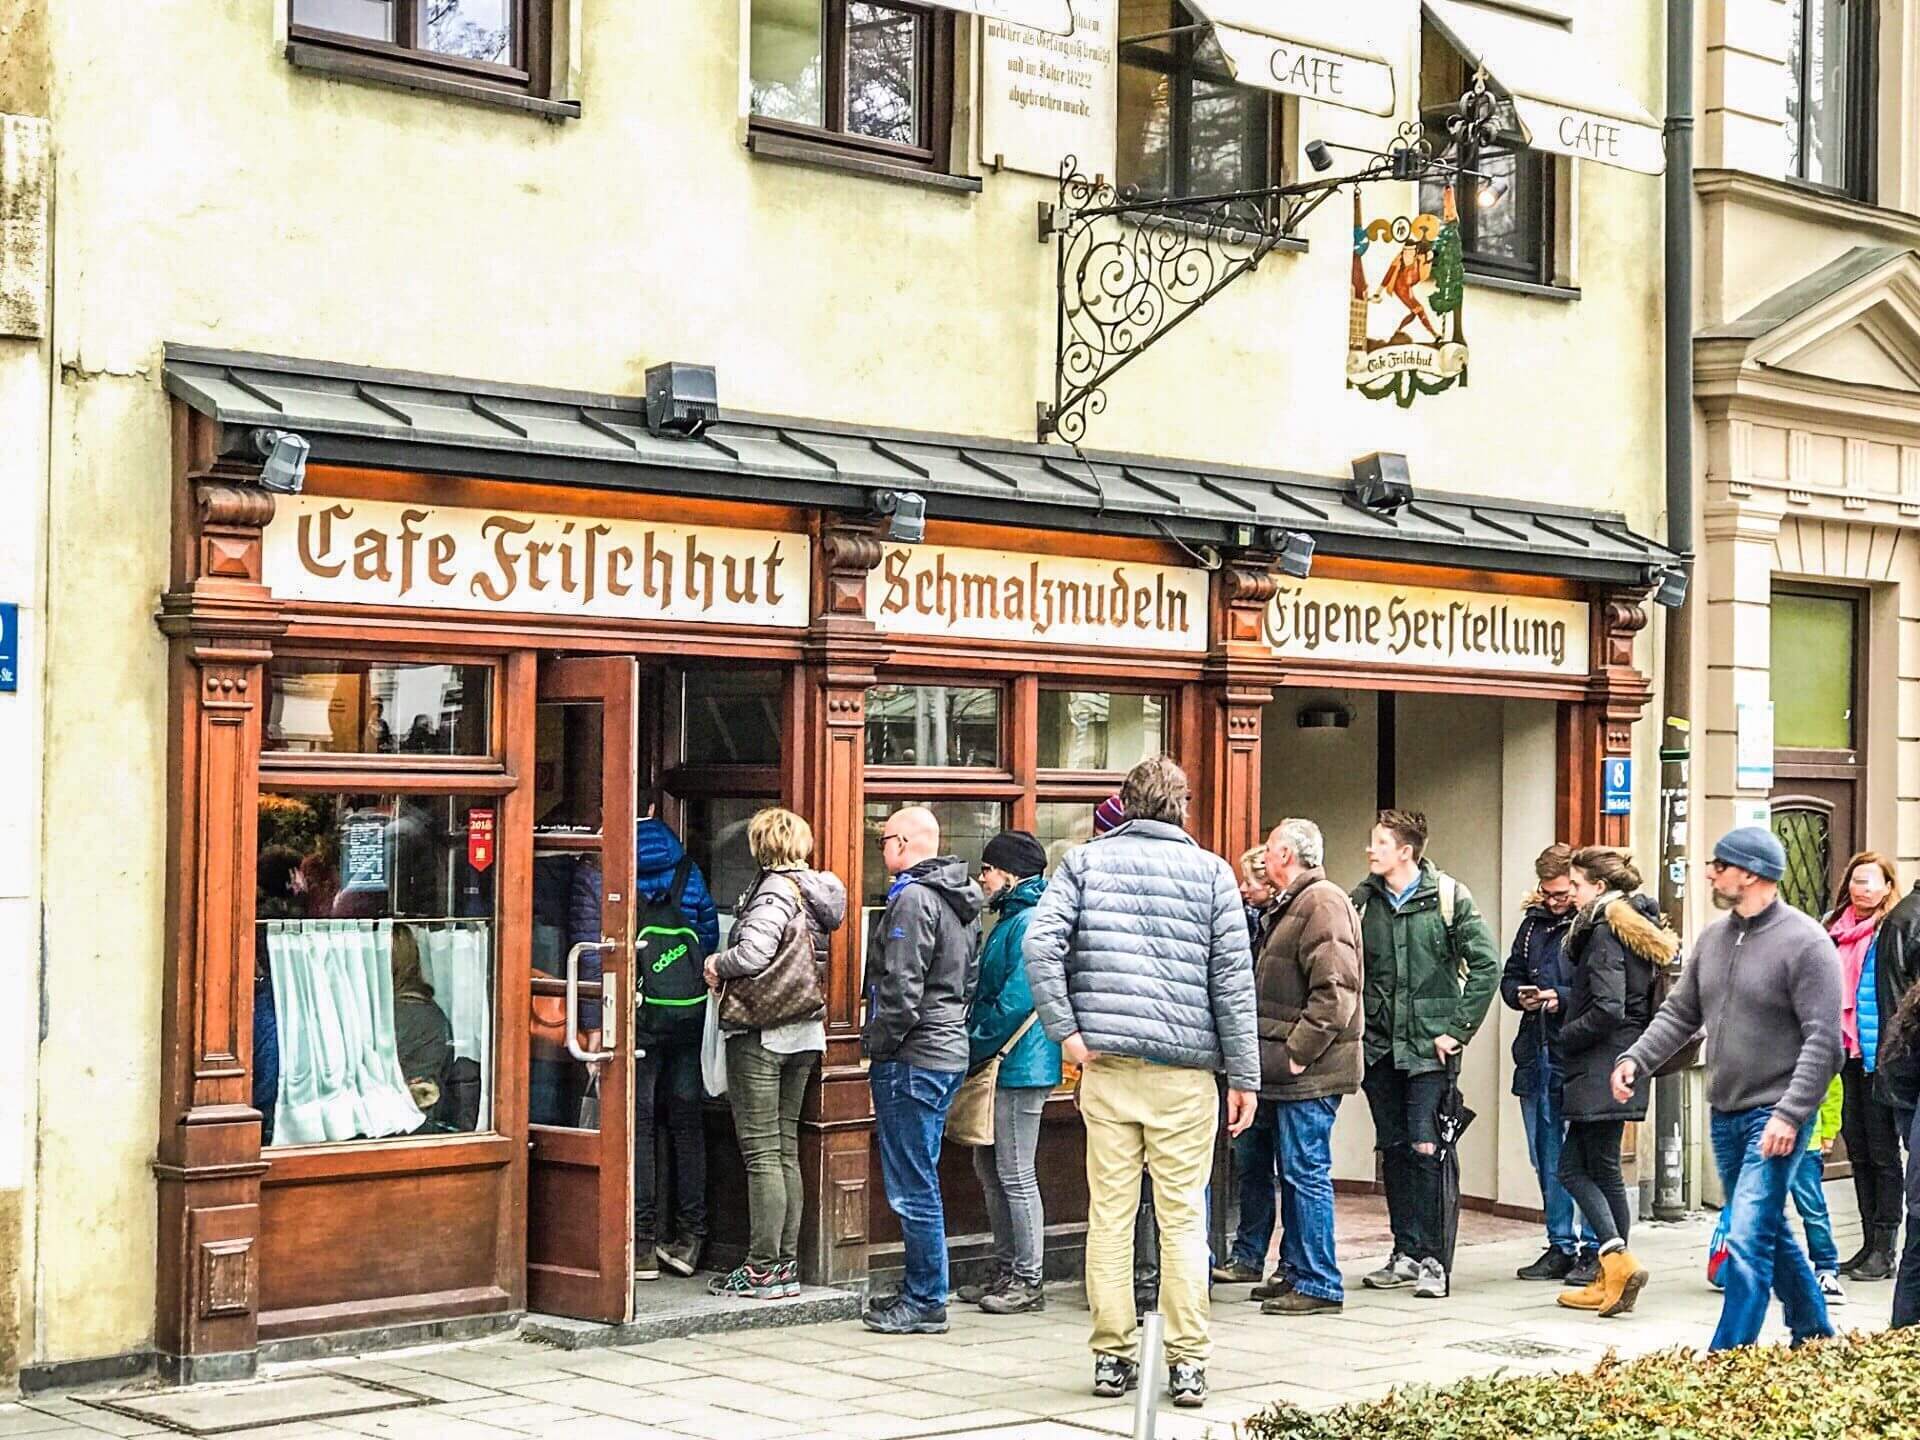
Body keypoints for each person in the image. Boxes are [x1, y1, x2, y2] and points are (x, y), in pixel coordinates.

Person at [1025, 756, 1259, 1409]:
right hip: (1186, 1072)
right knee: (1184, 1221)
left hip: (1106, 1066)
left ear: (1124, 804)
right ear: (1181, 805)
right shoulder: (1213, 873)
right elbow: (1232, 987)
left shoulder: (1084, 863)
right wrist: (1243, 1074)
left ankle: (1111, 1356)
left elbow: (1040, 946)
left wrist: (1065, 1029)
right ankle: (1187, 1364)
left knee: (1111, 1215)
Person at [1613, 825, 1842, 1351]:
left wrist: (1791, 1114)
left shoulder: (1807, 944)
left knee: (1744, 1236)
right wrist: (1636, 1060)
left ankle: (1727, 1355)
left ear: (1752, 874)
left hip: (1777, 1112)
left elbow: (1824, 1042)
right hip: (1726, 1111)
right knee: (1765, 1229)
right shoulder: (1715, 938)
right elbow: (1679, 1013)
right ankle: (1814, 1331)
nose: (1711, 872)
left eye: (1721, 864)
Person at [1353, 809, 1499, 1300]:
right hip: (1379, 1050)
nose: (1370, 850)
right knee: (1393, 1151)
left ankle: (1436, 1260)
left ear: (1405, 852)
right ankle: (1406, 1251)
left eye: (1379, 842)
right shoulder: (1362, 902)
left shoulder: (1448, 898)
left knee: (1428, 1151)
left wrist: (1456, 1030)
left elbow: (1486, 966)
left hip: (1428, 1054)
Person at [703, 808, 844, 1302]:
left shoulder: (773, 892)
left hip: (764, 1032)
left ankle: (763, 1267)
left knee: (762, 1153)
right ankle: (783, 1266)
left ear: (761, 846)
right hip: (806, 1031)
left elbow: (754, 955)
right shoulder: (818, 892)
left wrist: (717, 962)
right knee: (784, 1149)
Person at [862, 806, 982, 1335]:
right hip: (946, 1046)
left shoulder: (912, 898)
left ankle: (926, 1298)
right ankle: (921, 1287)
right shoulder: (963, 898)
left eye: (884, 838)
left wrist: (877, 1046)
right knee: (920, 1175)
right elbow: (968, 980)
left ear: (906, 842)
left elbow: (900, 988)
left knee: (912, 1184)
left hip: (913, 1055)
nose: (880, 848)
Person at [1551, 848, 1671, 1318]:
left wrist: (1565, 1035)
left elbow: (1608, 1007)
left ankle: (1617, 1263)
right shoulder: (1635, 925)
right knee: (1601, 1168)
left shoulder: (1604, 932)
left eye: (1577, 885)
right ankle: (1613, 1276)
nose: (1572, 893)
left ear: (1599, 888)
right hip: (1623, 1061)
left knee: (1572, 1169)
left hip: (1603, 1063)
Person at [1251, 818, 1362, 1317]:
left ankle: (1318, 1281)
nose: (1266, 856)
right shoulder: (1295, 903)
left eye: (1272, 847)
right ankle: (1297, 1269)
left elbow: (1335, 990)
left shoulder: (1322, 902)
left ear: (1287, 855)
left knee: (1305, 1171)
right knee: (1293, 1171)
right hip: (1287, 1069)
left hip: (1306, 1071)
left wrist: (1298, 1052)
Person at [956, 830, 1062, 1315]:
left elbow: (1016, 1001)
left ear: (1011, 874)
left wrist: (972, 1045)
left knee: (1015, 1173)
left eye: (989, 869)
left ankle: (1027, 1277)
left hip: (1019, 1064)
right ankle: (1007, 1266)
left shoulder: (1027, 922)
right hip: (1013, 1061)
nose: (982, 878)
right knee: (991, 1168)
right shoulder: (1015, 918)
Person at [630, 806, 721, 1281]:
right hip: (688, 1013)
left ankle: (642, 1244)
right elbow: (706, 938)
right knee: (687, 1122)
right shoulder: (688, 869)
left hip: (637, 1015)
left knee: (639, 1125)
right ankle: (690, 1239)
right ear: (652, 810)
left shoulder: (613, 860)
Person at [1500, 844, 1595, 1285]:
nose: (1556, 901)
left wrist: (1560, 997)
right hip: (1536, 1049)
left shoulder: (1591, 926)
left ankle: (1596, 1246)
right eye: (1548, 893)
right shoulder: (1532, 925)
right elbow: (1510, 973)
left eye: (1562, 893)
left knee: (1585, 1156)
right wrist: (1518, 993)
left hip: (1575, 1051)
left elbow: (1605, 990)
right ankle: (1560, 1243)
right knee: (1546, 1155)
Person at [1826, 852, 1903, 1282]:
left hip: (1879, 1054)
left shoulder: (1889, 931)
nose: (1863, 889)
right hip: (1844, 1052)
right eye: (1857, 881)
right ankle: (1868, 1242)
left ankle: (1886, 1247)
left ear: (1889, 887)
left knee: (1881, 1151)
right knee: (1857, 1149)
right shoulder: (1834, 929)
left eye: (1871, 882)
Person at [1215, 846, 1281, 1287]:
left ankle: (1286, 1259)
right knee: (1251, 1162)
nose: (1242, 889)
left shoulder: (1287, 922)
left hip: (1280, 1061)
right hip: (1248, 1057)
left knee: (1291, 1167)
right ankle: (1249, 1253)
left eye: (1251, 882)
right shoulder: (1241, 920)